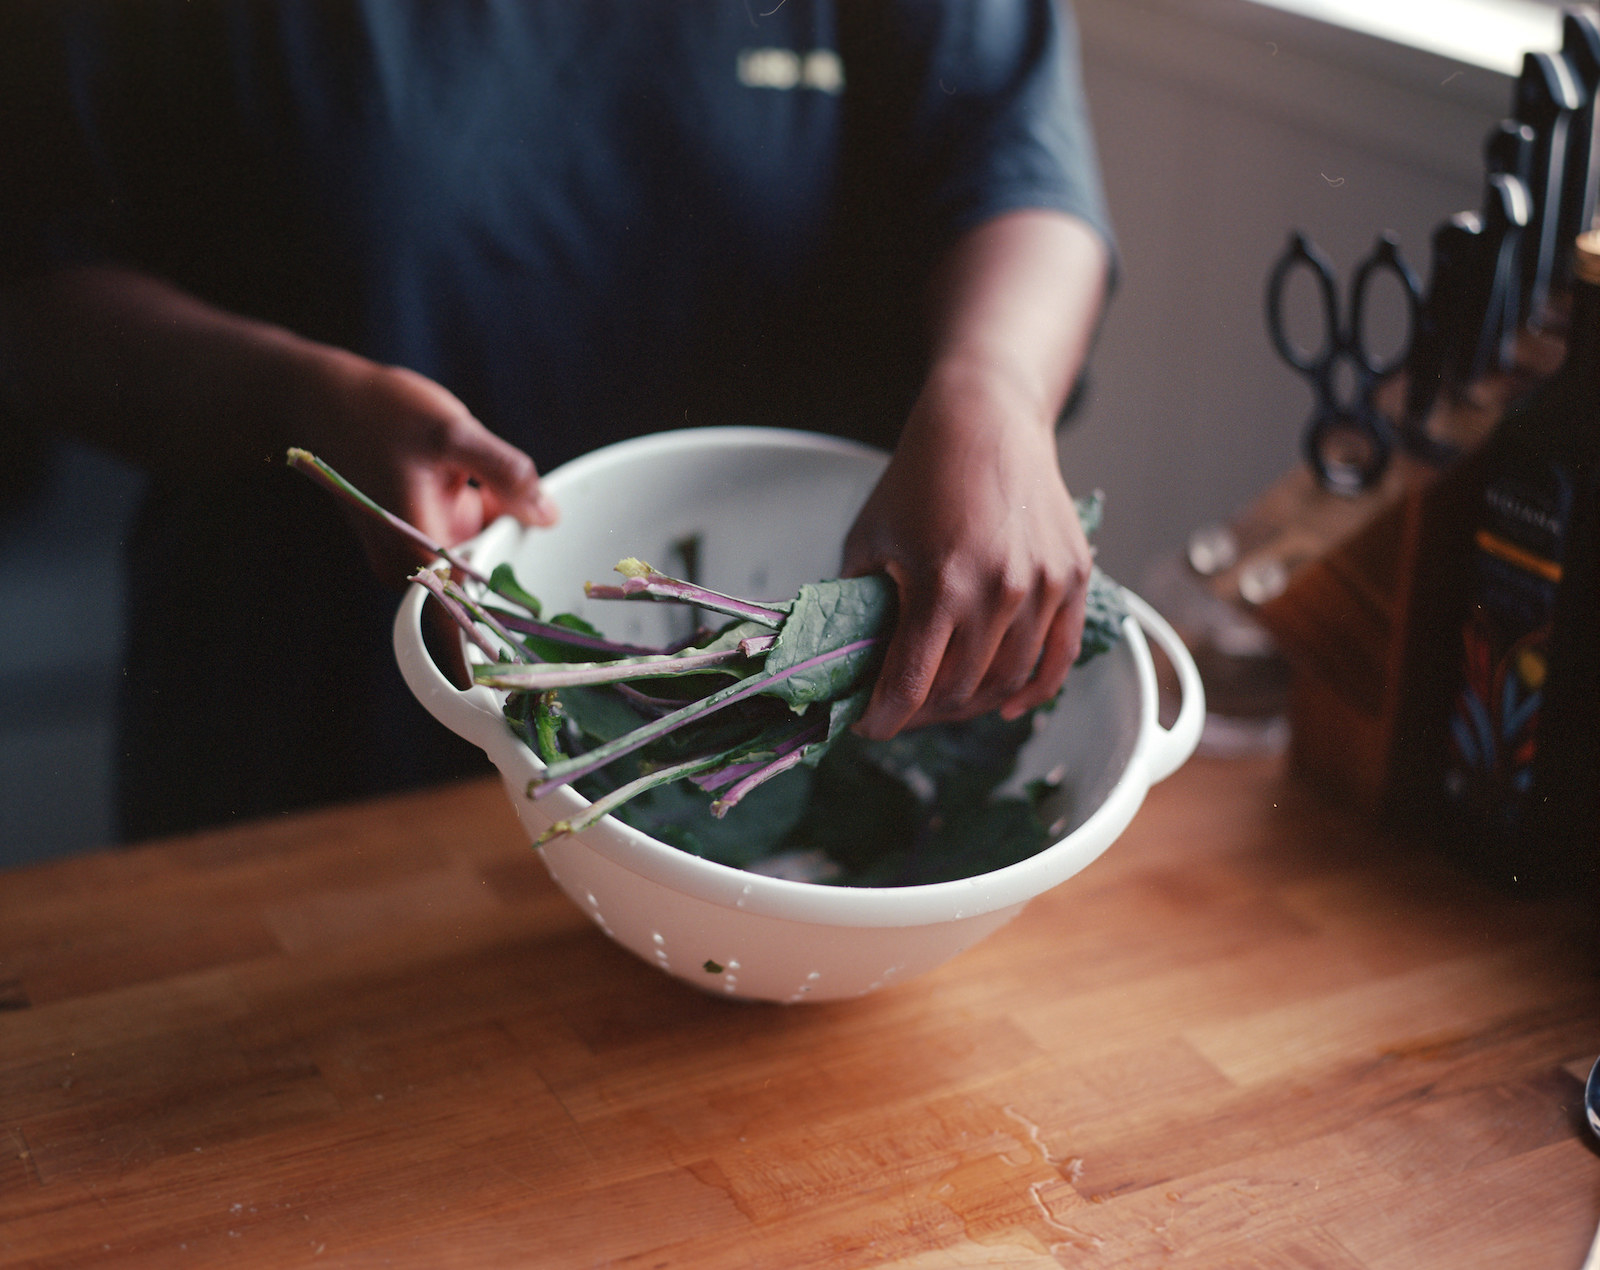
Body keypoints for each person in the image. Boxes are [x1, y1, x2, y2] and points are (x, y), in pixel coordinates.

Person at [0, 0, 1113, 841]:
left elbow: (1015, 163)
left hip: (770, 768)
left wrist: (996, 388)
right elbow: (35, 283)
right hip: (314, 739)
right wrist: (296, 395)